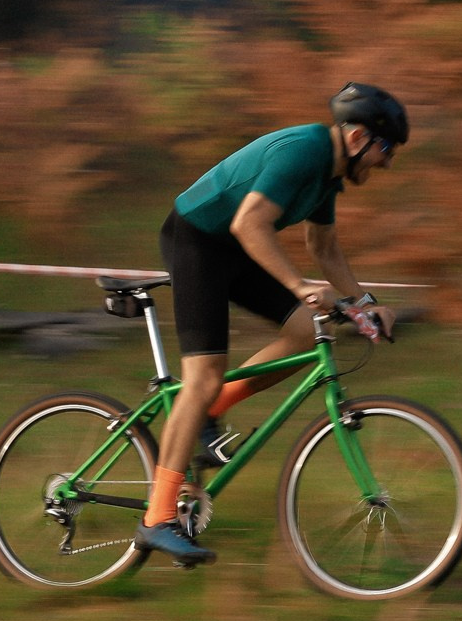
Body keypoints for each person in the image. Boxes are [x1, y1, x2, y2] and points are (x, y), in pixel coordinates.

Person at [134, 84, 408, 567]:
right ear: (359, 136)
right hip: (197, 241)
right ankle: (157, 519)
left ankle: (208, 410)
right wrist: (300, 285)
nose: (387, 163)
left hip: (235, 251)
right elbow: (248, 223)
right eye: (386, 150)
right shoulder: (304, 152)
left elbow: (325, 249)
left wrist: (365, 305)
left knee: (306, 331)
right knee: (201, 376)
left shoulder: (329, 173)